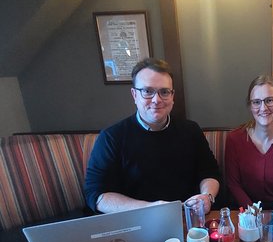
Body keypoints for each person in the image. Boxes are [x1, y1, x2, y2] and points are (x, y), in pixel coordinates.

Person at [84, 58, 220, 214]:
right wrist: (148, 209)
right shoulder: (111, 137)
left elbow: (210, 172)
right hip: (135, 222)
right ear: (134, 95)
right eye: (148, 91)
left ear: (172, 96)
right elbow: (96, 194)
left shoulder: (191, 130)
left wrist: (207, 196)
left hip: (188, 218)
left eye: (164, 92)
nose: (157, 100)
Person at [225, 75, 273, 210]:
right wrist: (253, 212)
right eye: (256, 102)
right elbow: (233, 184)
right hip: (246, 215)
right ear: (250, 106)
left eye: (269, 100)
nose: (263, 108)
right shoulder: (234, 139)